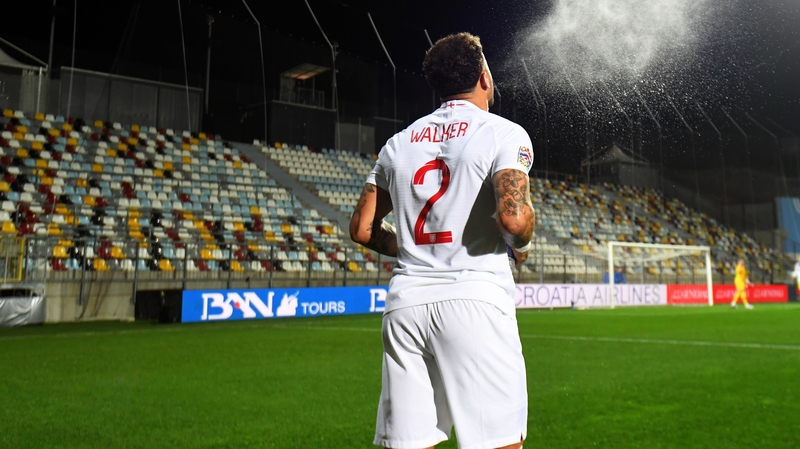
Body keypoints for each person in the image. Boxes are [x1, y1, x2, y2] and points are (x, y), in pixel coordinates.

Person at [350, 32, 534, 449]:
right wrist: (521, 246)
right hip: (474, 302)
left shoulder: (396, 145)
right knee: (499, 442)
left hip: (406, 307)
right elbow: (514, 217)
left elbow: (362, 229)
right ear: (484, 78)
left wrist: (410, 248)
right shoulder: (504, 133)